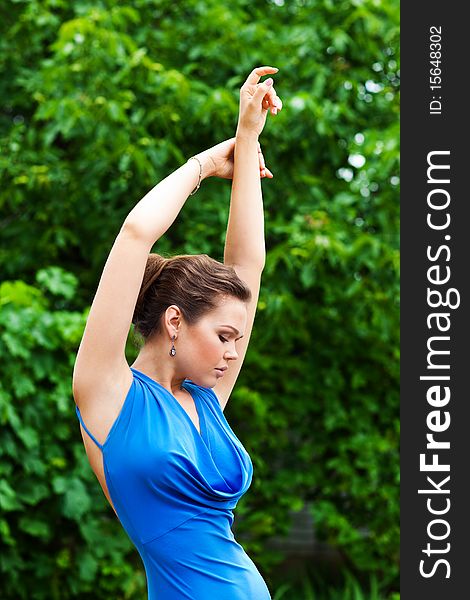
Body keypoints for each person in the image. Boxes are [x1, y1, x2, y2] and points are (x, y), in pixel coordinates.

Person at [72, 65, 283, 599]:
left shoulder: (206, 400)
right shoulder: (107, 393)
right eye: (225, 336)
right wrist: (204, 165)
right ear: (174, 321)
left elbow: (247, 267)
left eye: (237, 339)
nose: (235, 353)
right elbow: (137, 233)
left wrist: (248, 139)